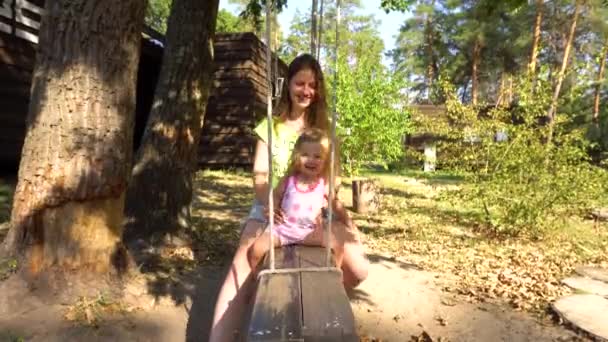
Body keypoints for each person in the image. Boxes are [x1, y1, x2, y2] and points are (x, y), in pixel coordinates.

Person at [209, 53, 369, 342]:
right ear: (289, 85)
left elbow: (335, 179)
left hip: (314, 211)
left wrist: (337, 213)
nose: (306, 91)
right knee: (243, 263)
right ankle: (220, 336)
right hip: (273, 209)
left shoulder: (327, 130)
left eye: (312, 85)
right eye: (300, 83)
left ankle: (318, 306)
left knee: (359, 269)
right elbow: (259, 173)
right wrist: (268, 203)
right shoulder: (270, 126)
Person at [247, 128, 353, 270]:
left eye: (317, 156)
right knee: (255, 250)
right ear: (297, 157)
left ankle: (335, 274)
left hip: (311, 233)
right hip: (282, 230)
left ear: (325, 160)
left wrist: (348, 222)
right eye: (305, 155)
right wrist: (273, 208)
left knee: (338, 247)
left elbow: (336, 204)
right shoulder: (289, 179)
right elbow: (276, 196)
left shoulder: (323, 183)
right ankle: (259, 278)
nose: (311, 160)